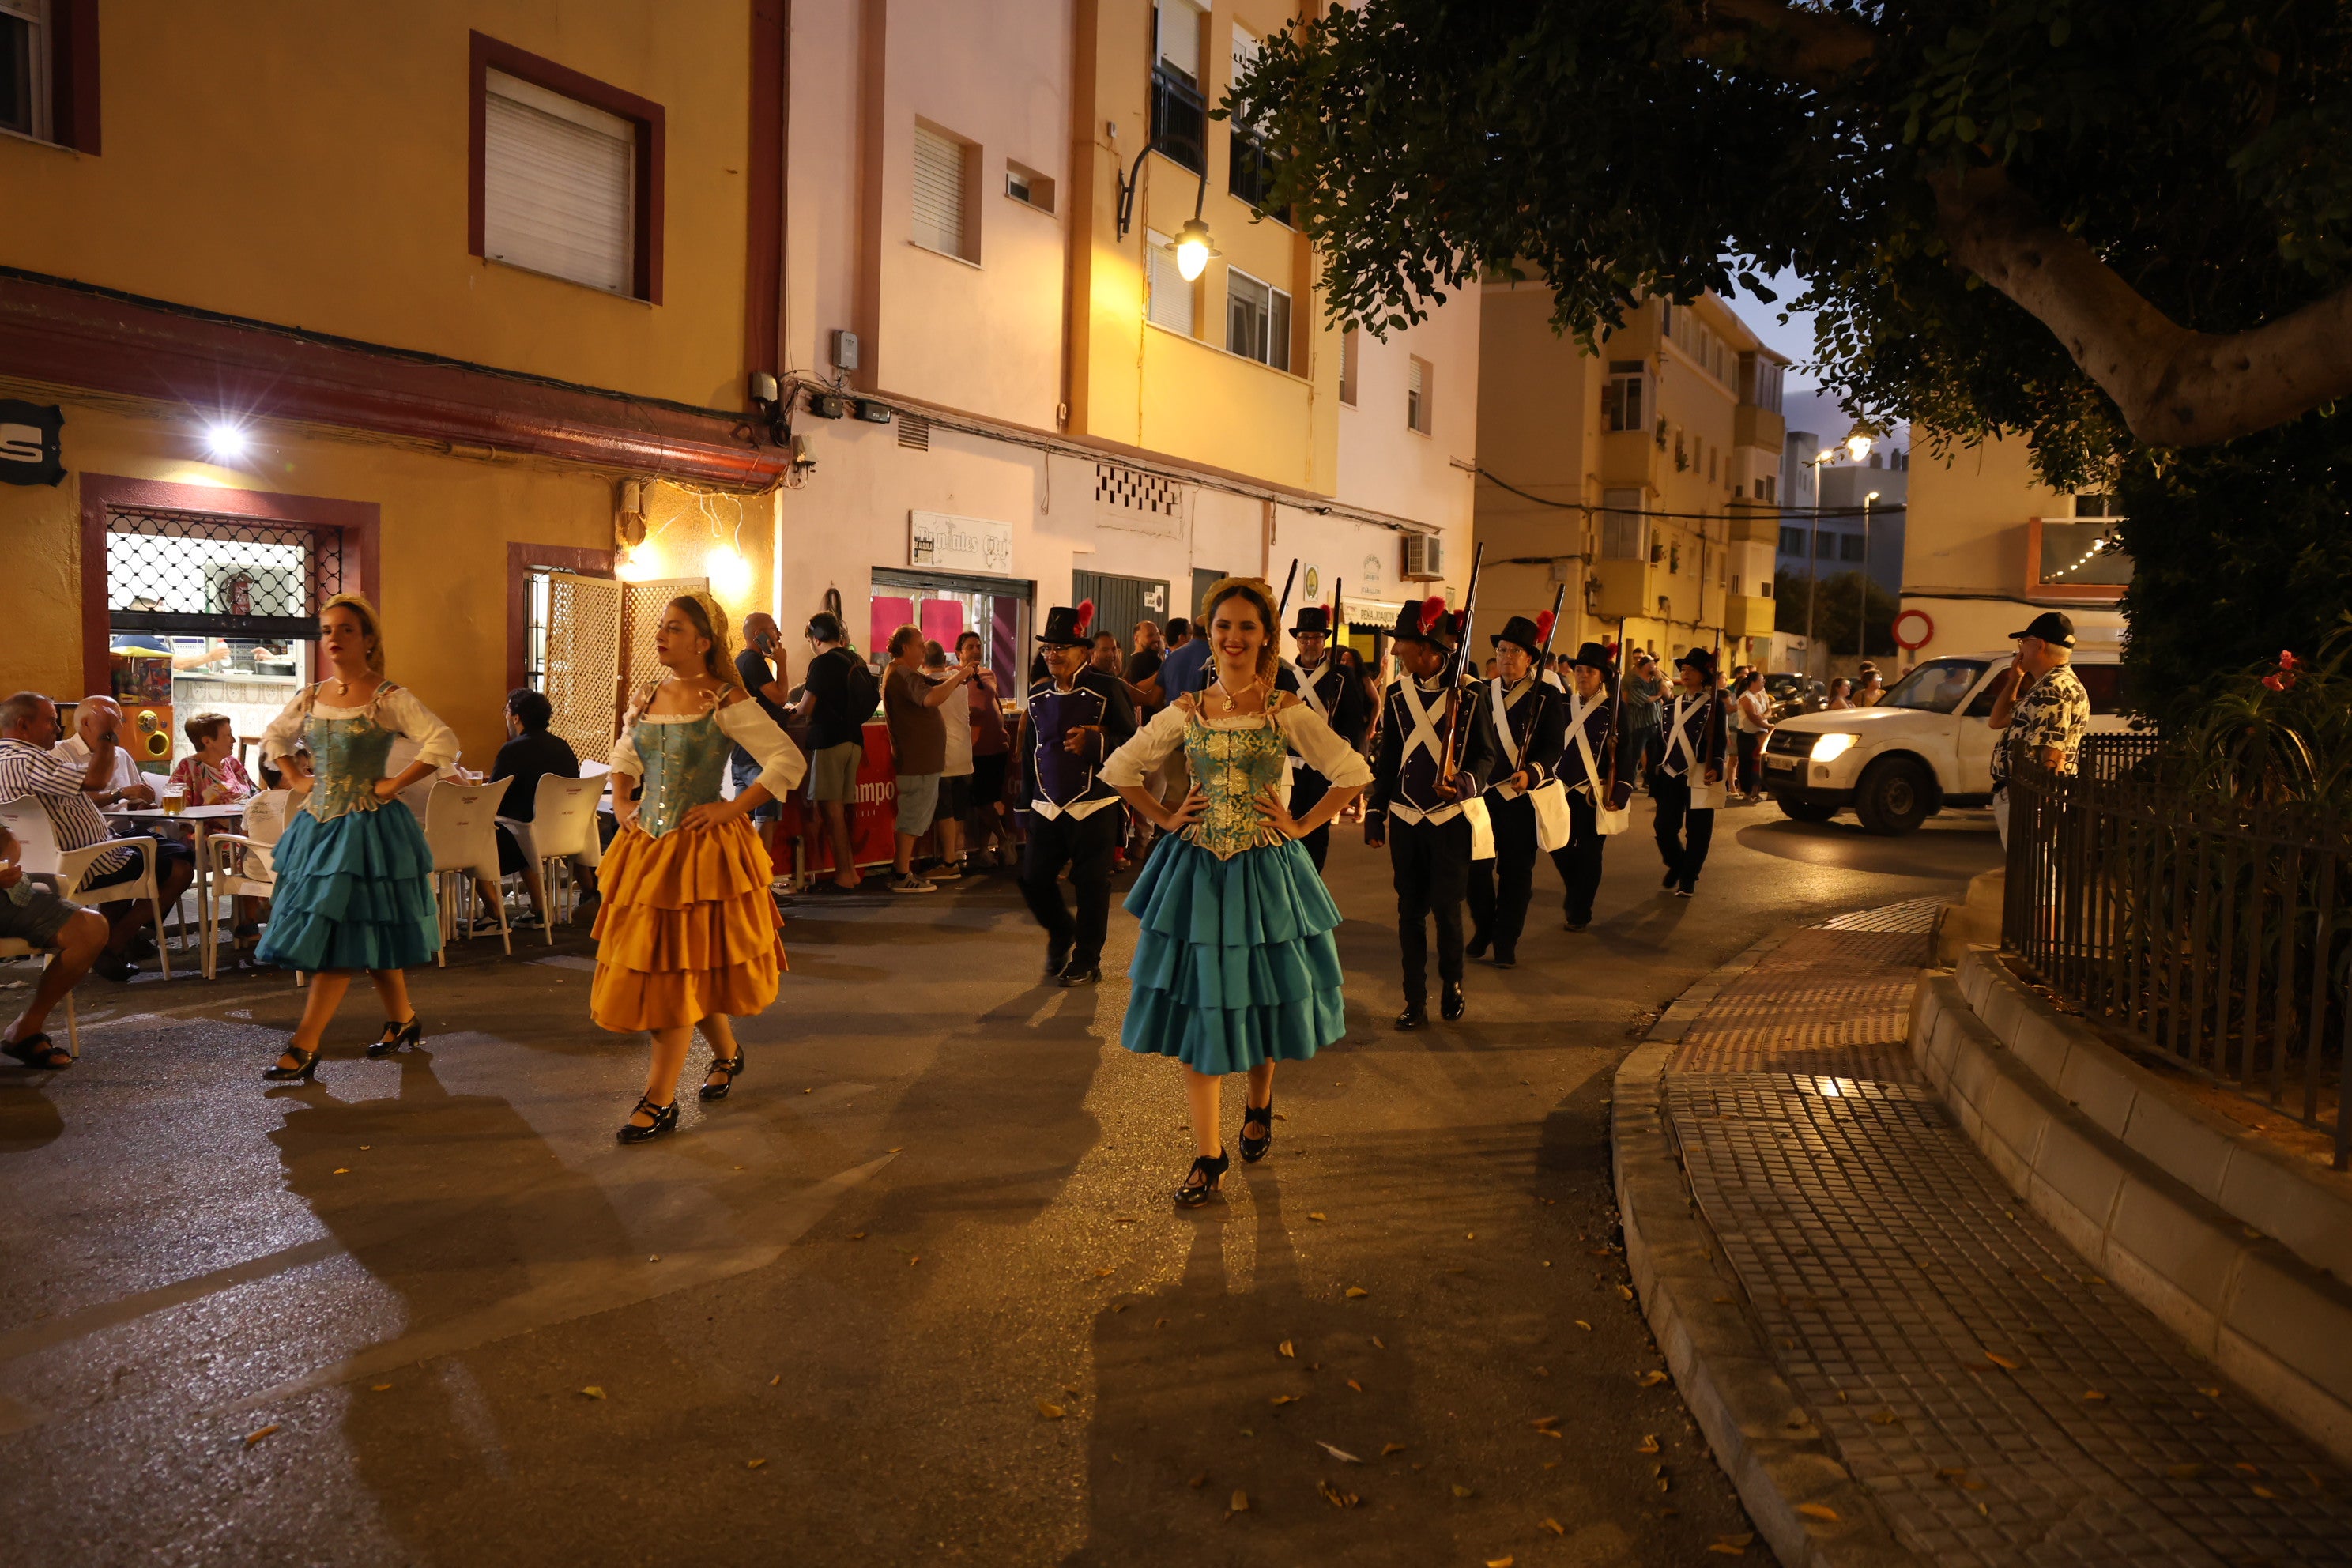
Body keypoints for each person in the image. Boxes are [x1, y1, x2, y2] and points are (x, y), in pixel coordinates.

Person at [1102, 576, 1369, 1206]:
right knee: (1201, 1009)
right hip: (1195, 874)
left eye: (1248, 626)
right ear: (1209, 632)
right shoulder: (1188, 709)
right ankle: (1207, 1155)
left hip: (1263, 871)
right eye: (1224, 626)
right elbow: (1121, 769)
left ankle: (1259, 1105)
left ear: (1265, 637)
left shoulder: (1283, 708)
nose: (1234, 637)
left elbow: (1352, 771)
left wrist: (1301, 824)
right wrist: (1165, 817)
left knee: (1256, 1003)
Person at [594, 594, 803, 1142]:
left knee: (675, 971)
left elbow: (787, 757)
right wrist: (620, 803)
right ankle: (728, 1055)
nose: (662, 636)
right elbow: (626, 753)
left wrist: (734, 805)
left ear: (703, 642)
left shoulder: (724, 698)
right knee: (680, 968)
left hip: (701, 853)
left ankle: (660, 1099)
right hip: (647, 851)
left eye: (675, 628)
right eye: (661, 627)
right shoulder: (647, 693)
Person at [253, 594, 457, 1082]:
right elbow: (274, 738)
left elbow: (442, 741)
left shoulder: (387, 696)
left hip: (369, 831)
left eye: (345, 630)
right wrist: (298, 780)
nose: (334, 639)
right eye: (326, 630)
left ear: (367, 639)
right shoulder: (310, 695)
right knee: (367, 931)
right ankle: (403, 1019)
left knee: (340, 938)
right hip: (319, 830)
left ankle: (304, 1044)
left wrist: (393, 784)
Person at [1366, 597, 1498, 1029]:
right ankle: (1414, 999)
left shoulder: (1472, 694)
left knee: (1447, 908)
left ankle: (1453, 982)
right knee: (1409, 912)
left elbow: (1485, 756)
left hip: (1448, 821)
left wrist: (1464, 783)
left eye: (1401, 643)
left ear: (1427, 648)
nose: (1395, 652)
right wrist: (1375, 810)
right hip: (1406, 817)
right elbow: (1388, 761)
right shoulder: (1397, 694)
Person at [0, 693, 194, 982]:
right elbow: (95, 780)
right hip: (86, 861)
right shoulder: (27, 760)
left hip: (63, 857)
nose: (57, 729)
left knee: (167, 852)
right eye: (51, 722)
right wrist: (106, 736)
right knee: (180, 868)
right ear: (23, 725)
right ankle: (112, 943)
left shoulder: (14, 758)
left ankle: (110, 942)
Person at [1016, 602, 1136, 985]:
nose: (1052, 655)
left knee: (1090, 885)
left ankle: (1087, 959)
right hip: (1047, 805)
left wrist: (1097, 743)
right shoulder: (1037, 697)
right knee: (1033, 879)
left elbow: (1134, 744)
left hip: (1095, 803)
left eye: (1060, 648)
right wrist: (1025, 803)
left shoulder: (1108, 688)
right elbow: (1030, 753)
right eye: (1047, 648)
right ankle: (1061, 931)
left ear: (1082, 652)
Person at [1465, 613, 1565, 970]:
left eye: (1515, 651)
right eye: (1501, 649)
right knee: (1475, 869)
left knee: (1516, 873)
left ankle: (1506, 940)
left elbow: (1555, 746)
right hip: (1481, 796)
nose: (1506, 656)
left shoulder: (1547, 695)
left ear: (1529, 658)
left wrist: (1532, 772)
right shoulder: (1480, 692)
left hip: (1519, 796)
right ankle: (1485, 928)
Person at [0, 819, 111, 1069]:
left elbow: (5, 836)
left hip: (8, 899)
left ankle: (26, 1029)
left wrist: (6, 861)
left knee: (89, 928)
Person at [1984, 611, 2091, 848]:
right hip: (2024, 794)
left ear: (2040, 645)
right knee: (2030, 871)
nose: (2020, 648)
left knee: (2033, 871)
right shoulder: (2047, 685)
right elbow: (1998, 719)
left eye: (2024, 642)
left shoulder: (2053, 689)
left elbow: (2052, 752)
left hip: (2029, 798)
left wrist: (2039, 807)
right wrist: (2015, 679)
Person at [1283, 604, 1374, 873]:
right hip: (1286, 767)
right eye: (1305, 638)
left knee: (1315, 835)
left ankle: (1311, 886)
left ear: (1325, 641)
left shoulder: (1341, 676)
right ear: (1297, 641)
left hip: (1321, 770)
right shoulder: (1283, 675)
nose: (1310, 643)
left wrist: (1337, 752)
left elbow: (1354, 721)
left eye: (1316, 638)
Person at [483, 688, 582, 929]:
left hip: (523, 839)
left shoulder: (512, 750)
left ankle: (494, 915)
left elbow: (493, 797)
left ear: (516, 717)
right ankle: (539, 911)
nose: (506, 716)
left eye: (507, 711)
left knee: (472, 838)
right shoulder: (563, 746)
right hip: (562, 835)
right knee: (522, 828)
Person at [791, 612, 875, 893]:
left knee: (831, 810)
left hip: (828, 739)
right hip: (854, 739)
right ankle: (851, 870)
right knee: (842, 808)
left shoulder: (822, 663)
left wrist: (790, 711)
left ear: (816, 639)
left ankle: (843, 874)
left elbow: (805, 708)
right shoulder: (856, 659)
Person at [880, 625, 968, 893]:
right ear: (905, 647)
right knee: (913, 818)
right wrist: (961, 674)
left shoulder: (905, 673)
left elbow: (931, 687)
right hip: (917, 761)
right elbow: (932, 698)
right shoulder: (902, 674)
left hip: (922, 760)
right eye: (919, 645)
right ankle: (901, 874)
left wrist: (951, 676)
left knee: (915, 817)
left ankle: (902, 872)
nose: (923, 650)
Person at [1551, 642, 1626, 933]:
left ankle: (1579, 911)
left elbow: (1626, 753)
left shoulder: (1614, 709)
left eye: (1589, 671)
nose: (1582, 675)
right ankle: (1577, 892)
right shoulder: (1561, 704)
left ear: (1602, 676)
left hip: (1593, 792)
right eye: (1579, 670)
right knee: (1558, 846)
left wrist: (1620, 791)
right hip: (1560, 790)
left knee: (1591, 854)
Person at [1651, 647, 1727, 899]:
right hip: (1671, 773)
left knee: (1698, 830)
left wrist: (1716, 766)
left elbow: (1720, 742)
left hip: (1699, 772)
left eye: (1691, 669)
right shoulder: (1670, 706)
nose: (1685, 673)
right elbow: (1662, 741)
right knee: (1663, 827)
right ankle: (1677, 863)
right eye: (1683, 669)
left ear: (1704, 675)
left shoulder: (1714, 706)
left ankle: (1688, 877)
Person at [957, 631, 1014, 869]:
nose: (976, 650)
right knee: (981, 803)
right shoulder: (953, 676)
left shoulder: (988, 673)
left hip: (996, 745)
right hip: (973, 749)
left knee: (989, 800)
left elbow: (996, 702)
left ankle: (981, 850)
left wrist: (1002, 724)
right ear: (959, 652)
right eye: (970, 647)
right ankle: (1004, 840)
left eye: (979, 646)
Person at [731, 612, 791, 828]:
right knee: (765, 822)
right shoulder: (752, 661)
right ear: (759, 634)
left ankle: (746, 863)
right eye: (775, 628)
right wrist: (782, 662)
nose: (779, 634)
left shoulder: (742, 660)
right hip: (759, 757)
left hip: (744, 754)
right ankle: (760, 864)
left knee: (743, 825)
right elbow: (780, 697)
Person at [922, 640, 974, 880]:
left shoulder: (925, 685)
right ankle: (959, 856)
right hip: (964, 757)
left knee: (945, 813)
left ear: (923, 662)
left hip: (942, 759)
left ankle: (948, 861)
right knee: (959, 812)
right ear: (945, 660)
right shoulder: (961, 686)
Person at [170, 712, 257, 805]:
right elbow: (173, 813)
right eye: (228, 735)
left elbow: (256, 795)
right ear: (207, 741)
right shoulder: (188, 767)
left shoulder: (233, 763)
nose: (234, 740)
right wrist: (207, 808)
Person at [1621, 651, 1665, 786]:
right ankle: (1630, 782)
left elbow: (1668, 689)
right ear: (1644, 666)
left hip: (1655, 724)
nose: (1654, 666)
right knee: (1635, 755)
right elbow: (1645, 699)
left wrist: (1660, 679)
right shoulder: (1634, 681)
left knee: (1653, 756)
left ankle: (1650, 782)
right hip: (1640, 725)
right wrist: (1658, 696)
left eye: (1654, 663)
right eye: (1651, 664)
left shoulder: (1655, 679)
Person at [1733, 671, 1773, 801]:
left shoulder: (1762, 693)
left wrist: (1762, 718)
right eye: (1762, 680)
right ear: (1754, 682)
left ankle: (1757, 791)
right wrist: (1769, 726)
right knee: (1747, 763)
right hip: (1748, 734)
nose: (1764, 682)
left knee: (1760, 762)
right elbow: (1752, 717)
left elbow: (1769, 711)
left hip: (1762, 734)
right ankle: (1747, 791)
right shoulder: (1746, 697)